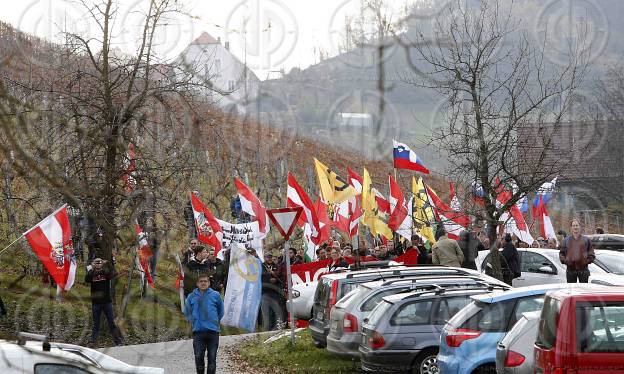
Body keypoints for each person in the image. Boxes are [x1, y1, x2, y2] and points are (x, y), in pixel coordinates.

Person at [184, 273, 224, 374]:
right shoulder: (191, 296)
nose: (203, 283)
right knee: (198, 357)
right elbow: (187, 311)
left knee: (212, 358)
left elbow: (221, 311)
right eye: (201, 281)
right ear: (197, 283)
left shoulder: (216, 295)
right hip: (198, 332)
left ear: (209, 283)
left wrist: (214, 321)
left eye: (205, 281)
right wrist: (194, 321)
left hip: (213, 332)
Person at [85, 258, 122, 347]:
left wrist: (106, 264)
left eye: (99, 263)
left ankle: (118, 342)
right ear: (93, 264)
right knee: (96, 324)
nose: (98, 264)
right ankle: (94, 343)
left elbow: (110, 275)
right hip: (96, 303)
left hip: (107, 302)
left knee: (111, 323)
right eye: (96, 263)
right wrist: (92, 267)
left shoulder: (105, 272)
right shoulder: (91, 273)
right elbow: (87, 279)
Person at [559, 219, 595, 283]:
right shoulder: (566, 240)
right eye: (573, 226)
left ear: (580, 227)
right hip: (570, 270)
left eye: (577, 225)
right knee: (571, 290)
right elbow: (561, 253)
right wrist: (565, 260)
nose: (575, 227)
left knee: (584, 289)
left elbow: (591, 253)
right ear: (571, 228)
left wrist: (586, 261)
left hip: (583, 270)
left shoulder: (586, 240)